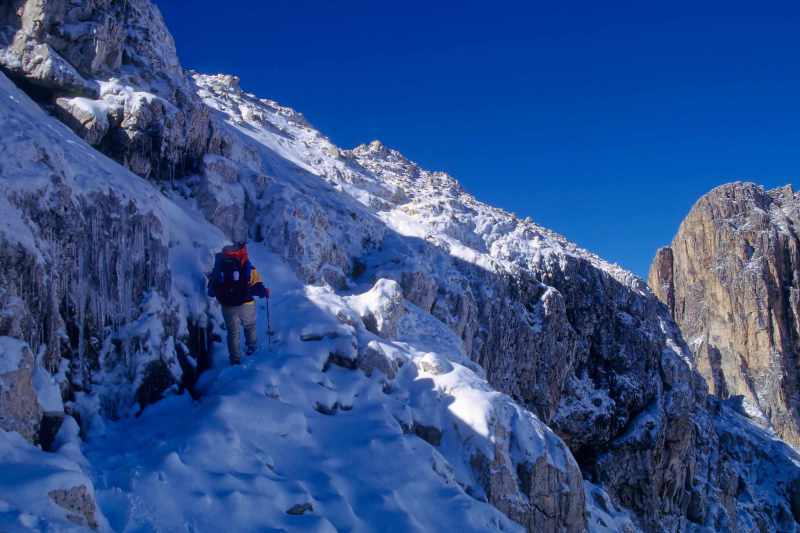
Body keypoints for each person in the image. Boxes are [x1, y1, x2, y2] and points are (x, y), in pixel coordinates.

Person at [207, 242, 270, 365]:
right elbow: (256, 286)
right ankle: (252, 349)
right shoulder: (246, 264)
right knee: (250, 326)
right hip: (246, 303)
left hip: (227, 305)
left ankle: (235, 360)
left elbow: (211, 291)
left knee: (233, 332)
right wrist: (264, 292)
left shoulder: (219, 265)